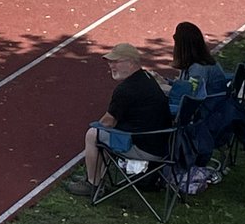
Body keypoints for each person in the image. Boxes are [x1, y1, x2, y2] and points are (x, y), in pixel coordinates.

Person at [65, 43, 172, 196]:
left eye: (116, 62)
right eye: (110, 62)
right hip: (161, 143)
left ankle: (93, 184)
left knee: (93, 134)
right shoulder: (147, 77)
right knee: (107, 135)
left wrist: (97, 125)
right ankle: (95, 175)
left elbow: (107, 122)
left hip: (145, 148)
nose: (111, 66)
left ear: (131, 63)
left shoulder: (126, 90)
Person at [167, 21, 228, 101]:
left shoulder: (198, 69)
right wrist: (167, 83)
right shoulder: (196, 63)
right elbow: (187, 86)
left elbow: (192, 95)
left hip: (209, 108)